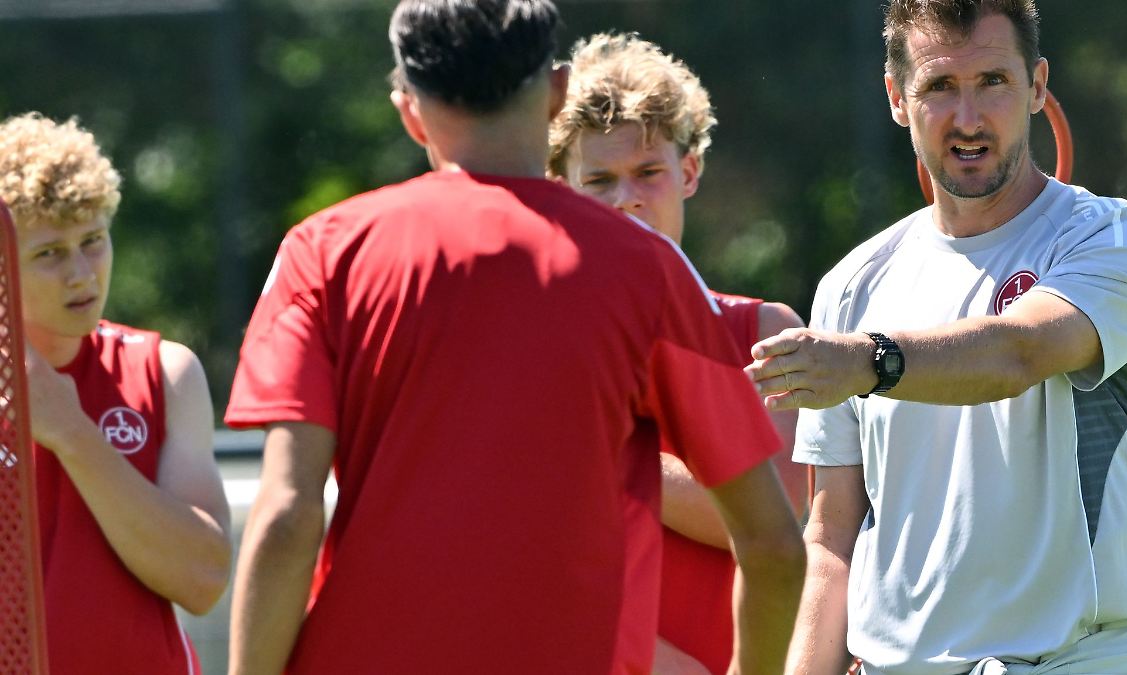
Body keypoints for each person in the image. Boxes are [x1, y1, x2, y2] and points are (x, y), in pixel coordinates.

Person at [224, 2, 805, 674]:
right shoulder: (643, 272)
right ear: (556, 92)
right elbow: (774, 546)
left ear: (409, 112)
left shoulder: (323, 251)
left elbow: (288, 516)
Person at [745, 1, 1127, 674]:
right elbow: (832, 542)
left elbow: (1019, 351)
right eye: (940, 86)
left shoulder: (1112, 235)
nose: (969, 118)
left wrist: (872, 361)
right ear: (896, 98)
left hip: (1079, 661)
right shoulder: (849, 286)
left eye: (993, 82)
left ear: (1037, 86)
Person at [548, 32, 809, 675]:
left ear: (688, 172)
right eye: (598, 180)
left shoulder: (762, 330)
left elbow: (780, 515)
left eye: (647, 172)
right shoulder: (536, 347)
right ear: (562, 190)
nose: (626, 199)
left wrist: (600, 452)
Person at [0, 112, 231, 674]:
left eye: (93, 241)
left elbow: (202, 580)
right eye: (49, 253)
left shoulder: (165, 372)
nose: (82, 273)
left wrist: (71, 432)